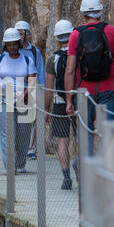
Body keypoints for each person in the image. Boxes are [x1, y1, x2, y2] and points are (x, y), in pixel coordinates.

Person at [65, 0, 114, 155]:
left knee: (86, 134)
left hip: (84, 92)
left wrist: (69, 100)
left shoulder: (76, 34)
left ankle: (87, 175)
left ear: (83, 14)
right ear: (100, 11)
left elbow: (70, 70)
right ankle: (106, 172)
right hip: (109, 89)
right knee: (108, 133)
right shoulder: (113, 32)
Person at [0, 28, 37, 174]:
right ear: (6, 45)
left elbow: (32, 80)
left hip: (23, 99)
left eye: (14, 44)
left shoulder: (27, 60)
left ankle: (20, 163)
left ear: (19, 44)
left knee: (23, 133)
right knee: (7, 133)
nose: (12, 47)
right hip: (4, 99)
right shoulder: (0, 59)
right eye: (9, 44)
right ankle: (10, 166)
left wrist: (25, 93)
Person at [45, 20, 75, 190]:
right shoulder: (78, 55)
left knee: (62, 141)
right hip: (78, 102)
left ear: (57, 38)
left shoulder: (52, 59)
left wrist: (47, 110)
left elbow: (49, 89)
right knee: (82, 137)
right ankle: (79, 165)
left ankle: (66, 178)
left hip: (59, 104)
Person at [15, 20, 46, 160]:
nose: (19, 37)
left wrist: (43, 90)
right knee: (18, 119)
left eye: (21, 34)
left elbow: (40, 70)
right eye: (17, 34)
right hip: (16, 87)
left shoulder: (34, 51)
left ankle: (30, 150)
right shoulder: (12, 49)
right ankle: (18, 147)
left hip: (32, 87)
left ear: (27, 35)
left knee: (31, 119)